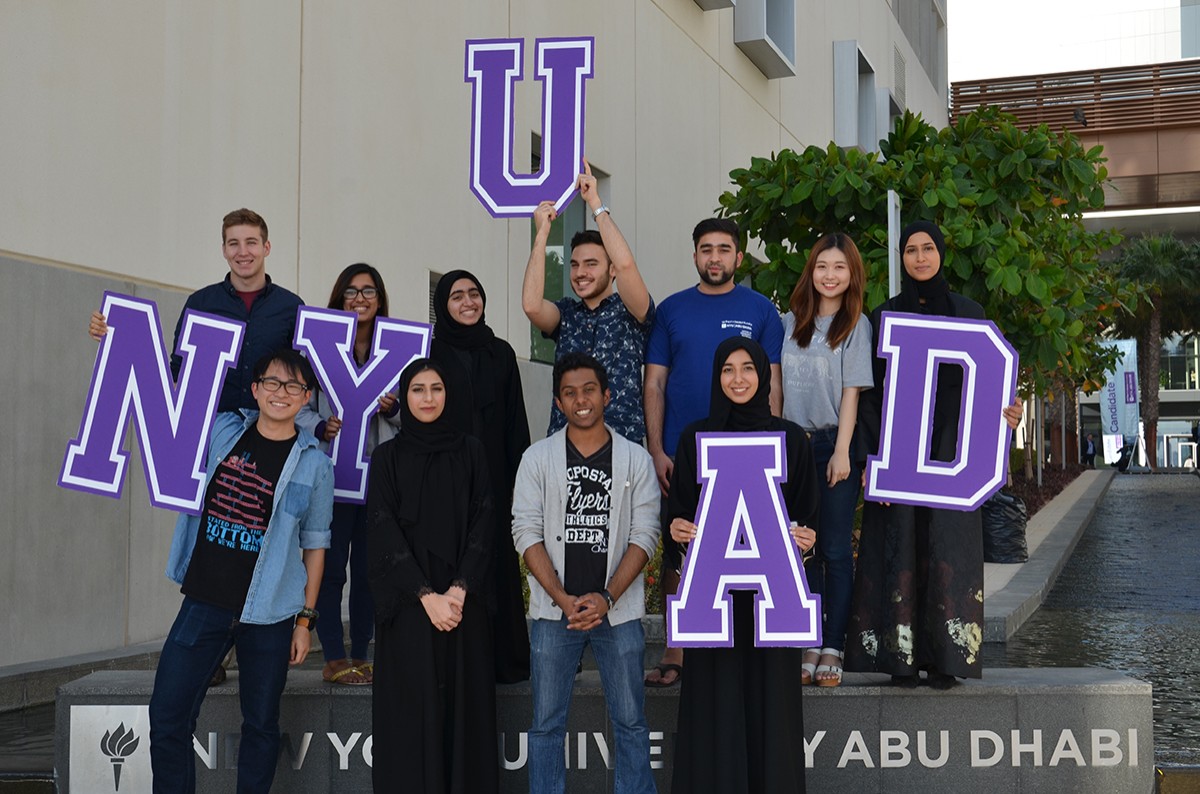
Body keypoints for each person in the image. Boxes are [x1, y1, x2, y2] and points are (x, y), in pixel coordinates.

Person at [845, 220, 1023, 689]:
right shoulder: (883, 317)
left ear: (941, 253)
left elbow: (988, 389)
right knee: (899, 550)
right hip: (899, 454)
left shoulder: (971, 314)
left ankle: (947, 660)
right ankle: (901, 662)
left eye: (927, 248)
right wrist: (869, 463)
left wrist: (1006, 416)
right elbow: (870, 398)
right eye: (910, 250)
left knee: (948, 551)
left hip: (952, 458)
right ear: (901, 258)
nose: (920, 257)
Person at [147, 349, 332, 794]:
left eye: (293, 386)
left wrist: (305, 620)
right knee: (167, 716)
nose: (281, 393)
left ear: (306, 398)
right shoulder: (221, 432)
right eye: (272, 382)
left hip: (269, 614)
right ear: (255, 389)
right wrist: (114, 342)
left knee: (262, 725)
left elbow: (316, 545)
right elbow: (159, 402)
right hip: (204, 601)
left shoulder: (315, 464)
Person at [667, 337, 818, 794]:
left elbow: (807, 515)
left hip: (772, 605)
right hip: (715, 607)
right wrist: (676, 529)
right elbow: (678, 514)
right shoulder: (695, 438)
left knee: (772, 710)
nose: (738, 378)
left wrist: (806, 540)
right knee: (716, 709)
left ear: (764, 375)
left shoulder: (790, 438)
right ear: (717, 377)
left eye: (748, 368)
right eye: (728, 369)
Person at [643, 217, 785, 688]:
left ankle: (748, 642)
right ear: (695, 255)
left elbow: (773, 384)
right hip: (683, 453)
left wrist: (773, 451)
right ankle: (676, 646)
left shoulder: (762, 310)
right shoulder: (671, 310)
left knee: (748, 551)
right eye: (706, 249)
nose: (715, 258)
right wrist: (657, 448)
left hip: (746, 456)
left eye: (724, 249)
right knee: (679, 548)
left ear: (739, 257)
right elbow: (655, 383)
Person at [512, 352, 660, 794]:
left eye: (589, 390)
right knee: (545, 725)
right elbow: (525, 531)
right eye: (570, 393)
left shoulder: (634, 459)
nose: (581, 400)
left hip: (618, 611)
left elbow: (645, 534)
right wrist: (561, 598)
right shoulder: (537, 459)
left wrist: (607, 597)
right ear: (558, 402)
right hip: (554, 613)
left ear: (607, 395)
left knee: (631, 721)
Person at [366, 359, 497, 793]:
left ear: (448, 394)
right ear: (404, 397)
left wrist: (457, 590)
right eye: (418, 389)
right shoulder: (386, 457)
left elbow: (484, 520)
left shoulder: (472, 451)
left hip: (464, 606)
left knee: (464, 716)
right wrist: (427, 597)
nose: (427, 398)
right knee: (410, 718)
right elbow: (383, 529)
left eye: (436, 388)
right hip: (409, 608)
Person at [89, 208, 304, 414]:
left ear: (266, 247)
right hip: (210, 431)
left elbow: (301, 377)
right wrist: (114, 337)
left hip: (271, 432)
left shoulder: (291, 307)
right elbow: (178, 371)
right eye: (233, 244)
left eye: (251, 242)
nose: (242, 252)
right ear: (224, 250)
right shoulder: (201, 303)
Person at [780, 233, 874, 688]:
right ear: (811, 270)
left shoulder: (857, 325)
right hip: (792, 446)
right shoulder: (789, 320)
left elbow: (852, 393)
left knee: (835, 549)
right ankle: (809, 641)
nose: (830, 275)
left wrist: (842, 452)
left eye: (839, 267)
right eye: (822, 266)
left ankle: (833, 645)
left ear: (852, 274)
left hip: (835, 444)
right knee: (802, 547)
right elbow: (776, 388)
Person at [431, 269, 533, 683]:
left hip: (495, 478)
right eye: (457, 296)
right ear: (443, 306)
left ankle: (503, 661)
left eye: (475, 293)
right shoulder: (430, 353)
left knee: (496, 564)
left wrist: (521, 485)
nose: (468, 301)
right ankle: (456, 662)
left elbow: (515, 423)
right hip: (445, 481)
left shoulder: (502, 353)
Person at [303, 263, 400, 686]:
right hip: (331, 480)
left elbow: (418, 414)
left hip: (375, 482)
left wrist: (394, 410)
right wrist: (320, 427)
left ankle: (362, 655)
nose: (360, 299)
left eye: (368, 291)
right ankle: (334, 656)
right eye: (351, 292)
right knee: (328, 569)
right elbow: (298, 407)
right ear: (339, 298)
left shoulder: (399, 353)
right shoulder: (318, 351)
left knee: (367, 573)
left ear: (380, 299)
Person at [522, 159, 654, 443]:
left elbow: (628, 265)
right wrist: (542, 234)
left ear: (611, 269)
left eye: (591, 264)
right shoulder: (566, 313)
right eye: (575, 264)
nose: (581, 273)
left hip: (622, 445)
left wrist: (595, 203)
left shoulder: (632, 311)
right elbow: (532, 306)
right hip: (565, 444)